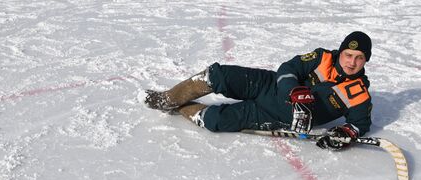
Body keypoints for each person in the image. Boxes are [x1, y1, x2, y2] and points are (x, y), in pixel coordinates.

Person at [144, 31, 373, 150]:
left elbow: (360, 124)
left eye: (359, 58)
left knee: (213, 120)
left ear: (365, 61)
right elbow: (289, 68)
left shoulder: (359, 94)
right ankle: (166, 99)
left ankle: (182, 107)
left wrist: (346, 134)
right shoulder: (323, 57)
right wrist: (293, 90)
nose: (351, 62)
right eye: (348, 55)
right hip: (269, 84)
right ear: (341, 52)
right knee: (219, 75)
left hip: (274, 116)